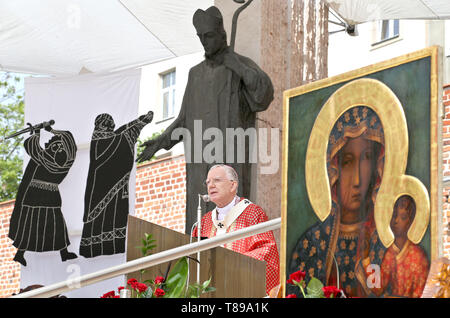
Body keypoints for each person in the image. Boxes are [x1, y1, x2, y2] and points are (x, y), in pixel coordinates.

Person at [137, 6, 274, 233]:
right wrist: (160, 141)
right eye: (200, 37)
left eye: (208, 36)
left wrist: (236, 65)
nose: (204, 42)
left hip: (231, 158)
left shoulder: (239, 66)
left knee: (232, 227)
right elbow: (183, 121)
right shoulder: (195, 74)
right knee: (198, 222)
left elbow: (263, 95)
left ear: (221, 33)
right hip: (200, 164)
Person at [288, 106, 386, 297]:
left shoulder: (384, 240)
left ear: (378, 166)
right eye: (348, 161)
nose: (357, 180)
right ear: (332, 170)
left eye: (366, 158)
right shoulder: (312, 244)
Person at [192, 164, 280, 295]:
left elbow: (266, 253)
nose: (210, 186)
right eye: (208, 182)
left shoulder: (252, 213)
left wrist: (230, 265)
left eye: (217, 180)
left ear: (233, 185)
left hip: (240, 289)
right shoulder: (204, 222)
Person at [79, 111, 153, 258]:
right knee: (102, 219)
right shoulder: (100, 140)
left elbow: (122, 132)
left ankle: (110, 246)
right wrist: (140, 122)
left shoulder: (111, 138)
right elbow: (121, 136)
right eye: (108, 123)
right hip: (100, 189)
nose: (110, 125)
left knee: (113, 216)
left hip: (113, 189)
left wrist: (140, 121)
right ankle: (95, 247)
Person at [9, 124, 78, 266]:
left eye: (61, 146)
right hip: (35, 193)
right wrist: (36, 133)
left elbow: (70, 141)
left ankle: (64, 253)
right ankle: (20, 254)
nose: (59, 149)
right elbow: (32, 148)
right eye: (54, 147)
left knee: (57, 223)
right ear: (48, 149)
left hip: (52, 195)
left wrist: (51, 131)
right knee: (31, 223)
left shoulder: (66, 163)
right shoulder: (43, 158)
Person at [373, 195, 429, 297]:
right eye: (394, 215)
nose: (396, 220)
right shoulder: (390, 253)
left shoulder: (418, 256)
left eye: (403, 217)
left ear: (410, 222)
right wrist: (366, 260)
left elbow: (421, 293)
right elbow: (378, 289)